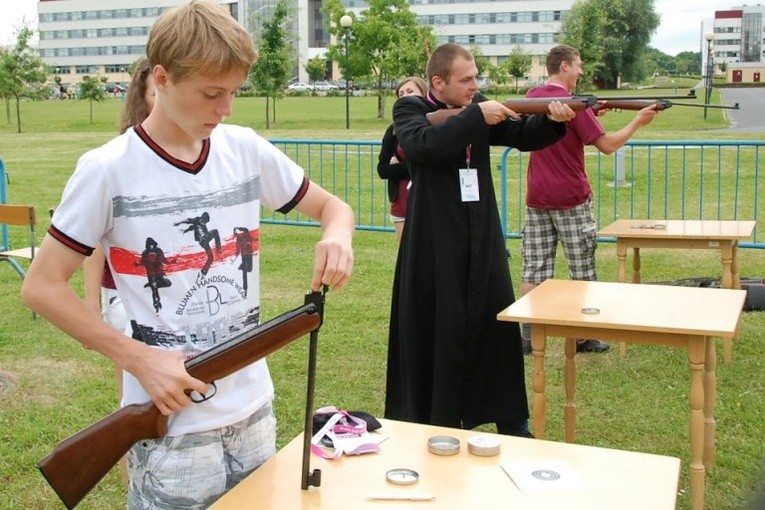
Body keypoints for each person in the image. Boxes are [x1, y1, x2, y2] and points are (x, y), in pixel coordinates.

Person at [22, 2, 355, 508]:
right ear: (162, 78)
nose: (226, 109)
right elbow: (42, 285)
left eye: (234, 92)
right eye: (211, 93)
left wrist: (339, 233)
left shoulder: (244, 149)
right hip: (169, 424)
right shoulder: (106, 169)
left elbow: (334, 207)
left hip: (254, 411)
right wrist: (139, 359)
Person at [384, 43, 575, 438]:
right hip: (434, 242)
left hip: (481, 237)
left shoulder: (480, 106)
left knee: (497, 331)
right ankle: (434, 423)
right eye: (466, 79)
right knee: (440, 329)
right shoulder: (410, 109)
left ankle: (512, 423)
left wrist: (557, 121)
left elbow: (522, 135)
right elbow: (422, 146)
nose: (475, 85)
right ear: (438, 82)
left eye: (476, 78)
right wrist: (475, 116)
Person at [519, 44, 658, 355]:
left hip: (536, 195)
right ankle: (583, 337)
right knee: (581, 266)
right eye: (578, 64)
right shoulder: (572, 103)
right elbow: (607, 145)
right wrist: (638, 122)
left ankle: (527, 338)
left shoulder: (532, 96)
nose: (581, 71)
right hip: (571, 197)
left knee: (534, 267)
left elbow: (561, 122)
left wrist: (592, 111)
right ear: (565, 66)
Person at [81, 56, 156, 486]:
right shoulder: (115, 160)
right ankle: (135, 485)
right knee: (132, 403)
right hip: (122, 297)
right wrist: (92, 304)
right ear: (143, 95)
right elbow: (91, 243)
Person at [376, 76, 427, 242]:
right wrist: (412, 167)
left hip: (428, 200)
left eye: (410, 91)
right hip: (402, 202)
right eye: (401, 93)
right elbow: (383, 170)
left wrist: (401, 166)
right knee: (406, 256)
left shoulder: (434, 125)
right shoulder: (393, 130)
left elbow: (431, 163)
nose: (405, 96)